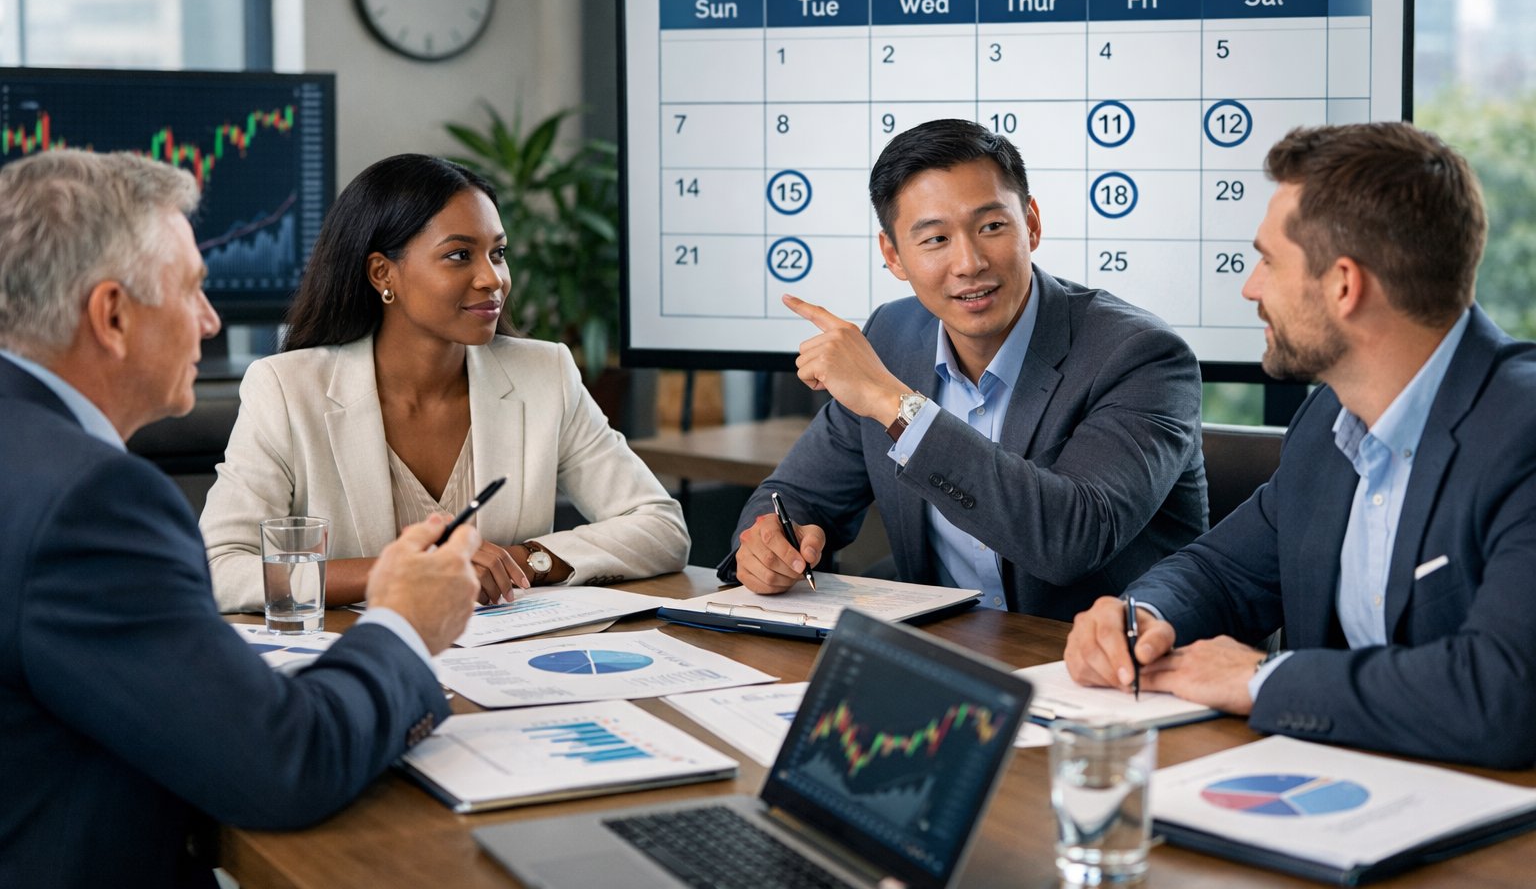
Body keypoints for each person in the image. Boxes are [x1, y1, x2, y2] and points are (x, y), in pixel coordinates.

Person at [0, 150, 484, 886]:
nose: (210, 320)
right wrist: (405, 625)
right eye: (192, 289)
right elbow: (285, 761)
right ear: (113, 315)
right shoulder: (91, 502)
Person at [1064, 121, 1536, 769]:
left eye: (1268, 261)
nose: (1250, 287)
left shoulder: (1521, 429)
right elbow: (1222, 572)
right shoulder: (1326, 422)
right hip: (1337, 786)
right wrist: (1139, 617)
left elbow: (1502, 691)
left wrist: (1261, 679)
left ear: (1343, 285)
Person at [723, 119, 1207, 620]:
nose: (969, 262)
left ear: (1031, 224)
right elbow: (795, 496)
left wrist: (896, 405)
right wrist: (768, 546)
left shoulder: (1141, 355)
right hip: (944, 650)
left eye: (991, 227)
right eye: (935, 238)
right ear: (893, 255)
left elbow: (1073, 538)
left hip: (1102, 656)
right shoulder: (890, 336)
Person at [201, 153, 688, 612]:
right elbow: (219, 569)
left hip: (507, 656)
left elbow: (660, 526)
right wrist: (403, 571)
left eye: (498, 253)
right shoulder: (286, 389)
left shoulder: (545, 374)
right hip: (366, 653)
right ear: (382, 273)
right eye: (459, 255)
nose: (492, 279)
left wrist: (522, 560)